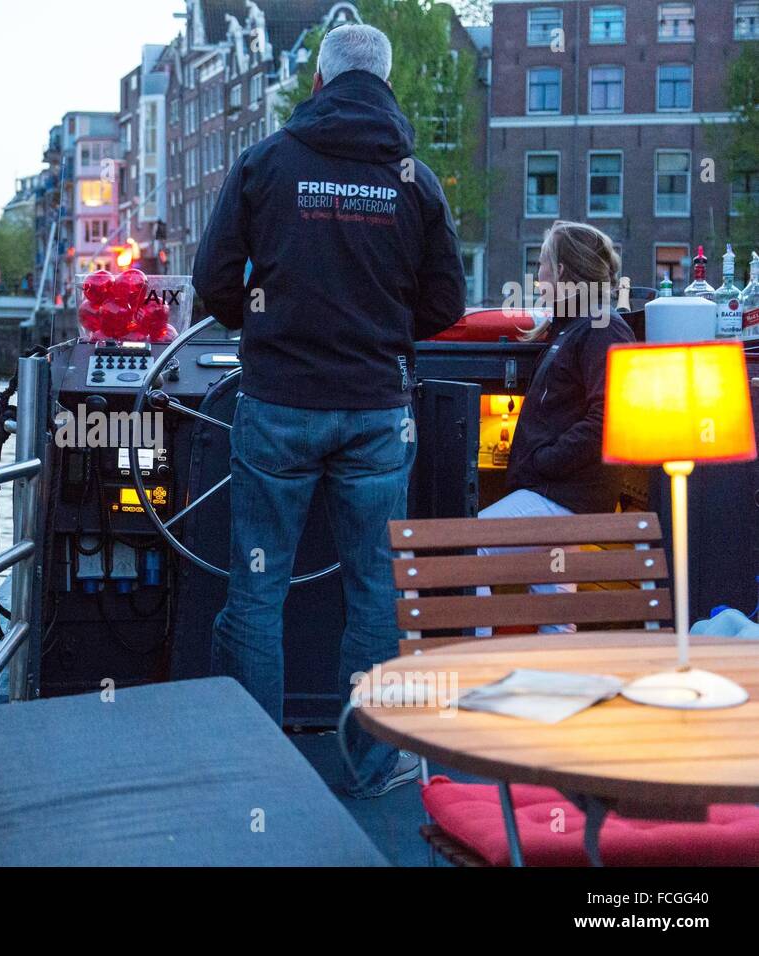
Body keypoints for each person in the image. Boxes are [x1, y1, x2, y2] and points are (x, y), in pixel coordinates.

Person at [191, 24, 465, 798]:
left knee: (256, 587)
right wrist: (378, 328)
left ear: (317, 83)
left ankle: (251, 765)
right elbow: (446, 301)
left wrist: (269, 323)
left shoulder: (268, 162)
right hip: (377, 412)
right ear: (385, 86)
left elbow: (214, 281)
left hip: (278, 405)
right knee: (377, 590)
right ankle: (376, 764)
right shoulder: (415, 181)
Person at [476, 222, 635, 633]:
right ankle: (562, 687)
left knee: (470, 547)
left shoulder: (602, 327)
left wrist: (545, 462)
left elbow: (611, 417)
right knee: (555, 612)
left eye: (542, 266)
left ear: (563, 272)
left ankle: (468, 661)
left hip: (564, 494)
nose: (537, 278)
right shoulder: (574, 327)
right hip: (561, 492)